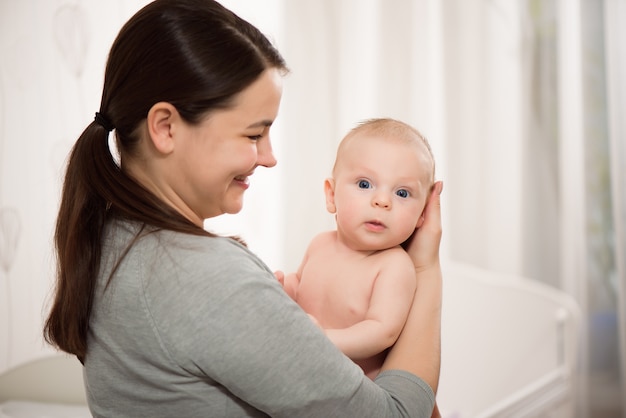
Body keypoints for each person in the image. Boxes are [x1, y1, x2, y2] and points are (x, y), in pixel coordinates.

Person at [43, 1, 443, 417]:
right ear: (165, 127)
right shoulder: (204, 277)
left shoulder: (112, 235)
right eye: (254, 134)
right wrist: (425, 269)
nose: (269, 157)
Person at [279, 118, 436, 379]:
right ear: (331, 195)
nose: (382, 201)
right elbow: (300, 286)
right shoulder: (320, 244)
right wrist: (283, 289)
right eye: (365, 184)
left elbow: (382, 331)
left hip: (353, 392)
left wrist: (325, 340)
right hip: (303, 371)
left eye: (402, 193)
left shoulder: (394, 266)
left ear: (422, 215)